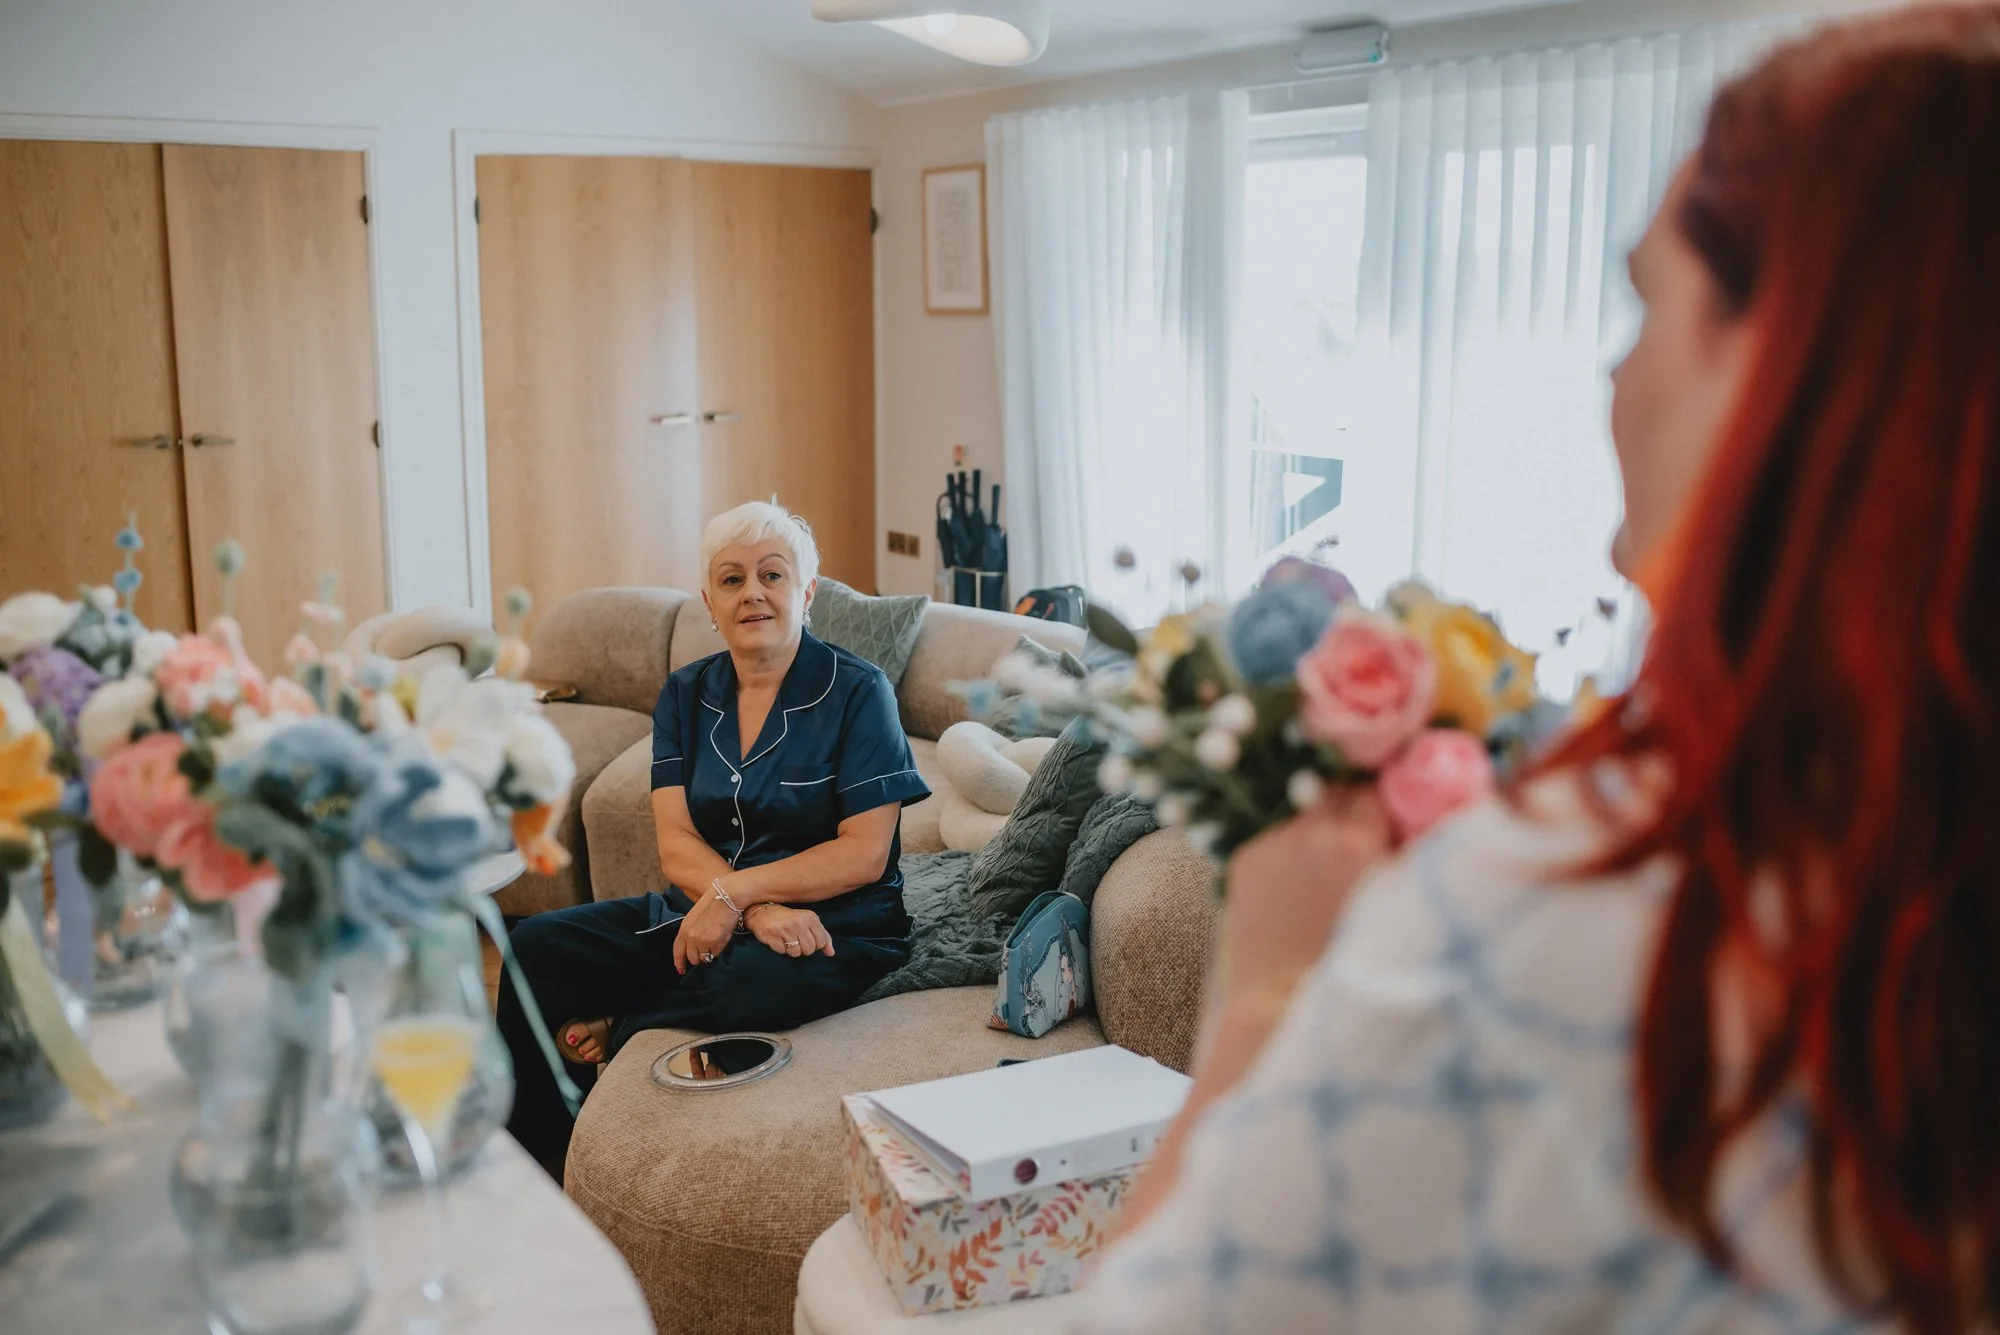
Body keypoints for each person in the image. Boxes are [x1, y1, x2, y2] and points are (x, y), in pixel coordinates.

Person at [1079, 8, 2000, 1332]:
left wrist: (1272, 994)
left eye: (1647, 304)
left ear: (1787, 368)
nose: (1614, 374)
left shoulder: (1553, 916)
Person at [496, 501, 930, 1175]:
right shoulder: (685, 693)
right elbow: (675, 843)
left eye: (772, 574)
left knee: (749, 983)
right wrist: (745, 905)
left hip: (837, 922)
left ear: (806, 591)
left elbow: (864, 852)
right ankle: (537, 1160)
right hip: (707, 909)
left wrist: (736, 894)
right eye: (732, 580)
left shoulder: (859, 690)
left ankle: (628, 1020)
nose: (752, 591)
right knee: (534, 946)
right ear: (710, 602)